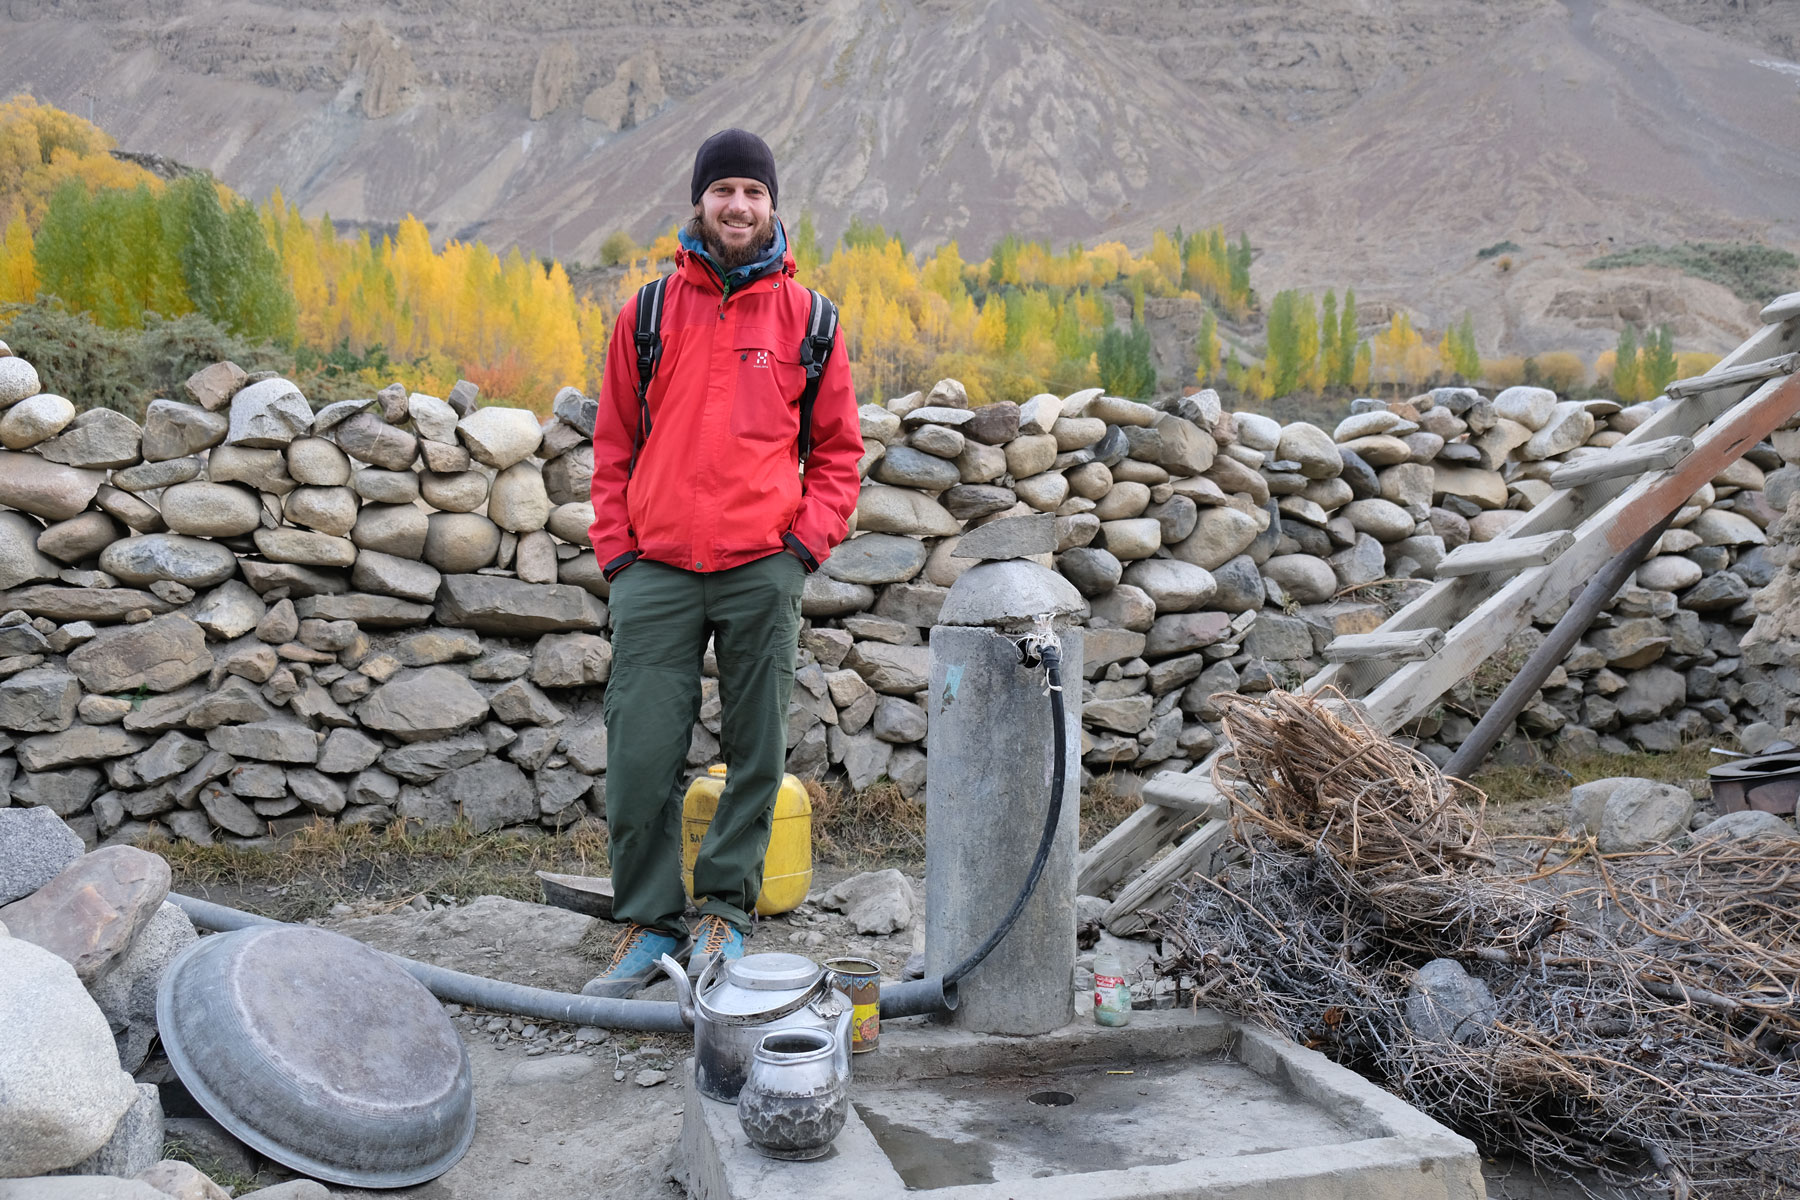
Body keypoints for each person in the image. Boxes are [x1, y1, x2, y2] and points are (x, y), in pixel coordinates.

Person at [582, 129, 863, 997]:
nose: (738, 206)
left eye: (753, 191)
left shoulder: (810, 319)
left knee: (755, 751)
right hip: (657, 569)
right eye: (723, 191)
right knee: (639, 755)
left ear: (773, 205)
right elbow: (613, 445)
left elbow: (839, 454)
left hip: (759, 567)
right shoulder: (650, 313)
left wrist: (801, 549)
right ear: (698, 203)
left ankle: (724, 917)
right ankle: (649, 920)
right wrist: (620, 555)